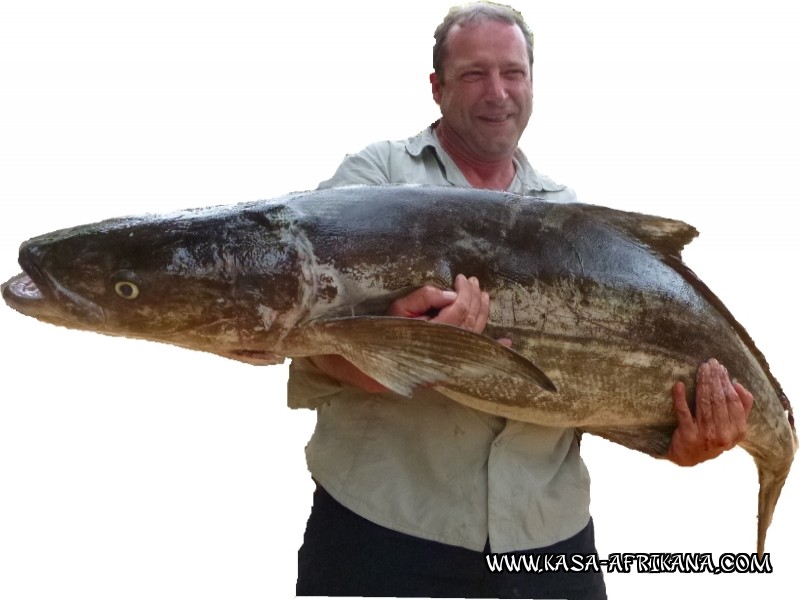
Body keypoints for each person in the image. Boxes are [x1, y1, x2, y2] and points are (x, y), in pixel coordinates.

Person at [290, 2, 753, 597]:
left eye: (513, 73)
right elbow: (306, 334)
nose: (498, 92)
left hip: (548, 538)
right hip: (386, 530)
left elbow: (588, 391)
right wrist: (420, 353)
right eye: (474, 73)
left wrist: (677, 442)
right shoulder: (373, 180)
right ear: (436, 87)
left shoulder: (571, 215)